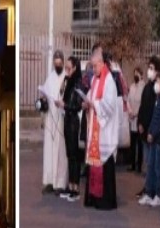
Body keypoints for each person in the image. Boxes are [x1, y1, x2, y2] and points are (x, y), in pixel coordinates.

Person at [83, 44, 120, 210]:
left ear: (102, 62)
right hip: (94, 128)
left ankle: (105, 200)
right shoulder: (95, 79)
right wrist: (86, 103)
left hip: (104, 131)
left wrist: (94, 104)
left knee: (104, 165)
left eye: (95, 65)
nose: (93, 68)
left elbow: (109, 106)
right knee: (93, 165)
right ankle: (93, 198)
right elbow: (92, 96)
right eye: (92, 66)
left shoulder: (109, 81)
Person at [139, 73, 160, 207]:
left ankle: (157, 194)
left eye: (158, 81)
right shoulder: (159, 97)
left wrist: (154, 133)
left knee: (158, 167)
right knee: (151, 166)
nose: (156, 84)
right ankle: (149, 193)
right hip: (153, 137)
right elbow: (155, 117)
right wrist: (150, 132)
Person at [41, 50, 68, 194]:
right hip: (50, 119)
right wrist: (44, 99)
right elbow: (45, 93)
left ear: (62, 63)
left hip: (61, 119)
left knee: (59, 151)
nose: (57, 66)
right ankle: (49, 181)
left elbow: (67, 96)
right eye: (55, 63)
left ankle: (60, 183)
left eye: (59, 63)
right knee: (49, 151)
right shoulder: (50, 77)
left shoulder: (66, 77)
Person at [59, 56, 84, 201]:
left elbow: (78, 104)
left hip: (74, 121)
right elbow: (65, 98)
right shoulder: (68, 82)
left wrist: (65, 106)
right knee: (69, 154)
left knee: (74, 155)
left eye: (69, 68)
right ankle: (70, 185)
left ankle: (76, 188)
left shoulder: (78, 82)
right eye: (66, 68)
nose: (67, 70)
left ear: (75, 68)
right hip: (66, 120)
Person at [136, 56, 160, 196]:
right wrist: (140, 122)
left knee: (152, 163)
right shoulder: (147, 86)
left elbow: (154, 110)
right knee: (147, 162)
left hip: (151, 130)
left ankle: (152, 189)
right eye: (149, 68)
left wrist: (149, 128)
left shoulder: (157, 88)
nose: (149, 71)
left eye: (152, 68)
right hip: (143, 128)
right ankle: (147, 187)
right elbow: (143, 107)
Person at [127, 67, 144, 172]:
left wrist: (136, 113)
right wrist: (130, 111)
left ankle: (139, 166)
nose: (135, 75)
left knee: (140, 144)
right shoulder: (132, 86)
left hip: (139, 118)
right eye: (134, 73)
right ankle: (132, 164)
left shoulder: (143, 87)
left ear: (141, 75)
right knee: (132, 144)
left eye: (137, 74)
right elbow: (128, 100)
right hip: (132, 118)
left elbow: (143, 104)